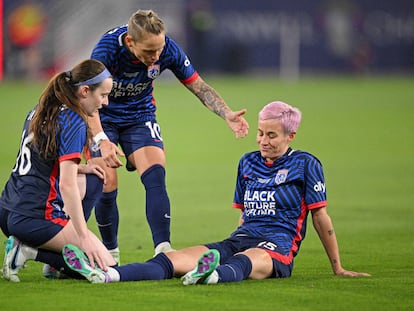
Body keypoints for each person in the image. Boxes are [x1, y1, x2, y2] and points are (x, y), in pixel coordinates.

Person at [59, 100, 371, 284]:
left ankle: (212, 275)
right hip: (241, 238)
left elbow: (321, 218)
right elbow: (243, 216)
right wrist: (233, 240)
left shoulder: (305, 164)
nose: (263, 141)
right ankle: (107, 274)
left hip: (277, 249)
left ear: (291, 135)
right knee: (174, 257)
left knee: (250, 259)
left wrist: (338, 267)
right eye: (260, 133)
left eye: (271, 135)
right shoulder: (247, 162)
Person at [87, 9, 249, 259]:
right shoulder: (106, 51)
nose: (156, 56)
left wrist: (226, 113)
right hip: (102, 116)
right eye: (149, 51)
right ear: (130, 42)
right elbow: (86, 101)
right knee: (106, 181)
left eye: (159, 49)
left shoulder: (168, 49)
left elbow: (198, 85)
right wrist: (101, 139)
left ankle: (164, 249)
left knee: (155, 173)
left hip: (139, 116)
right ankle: (110, 253)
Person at [0, 59, 117, 282]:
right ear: (84, 91)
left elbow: (39, 159)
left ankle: (53, 258)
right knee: (107, 267)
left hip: (8, 209)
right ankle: (28, 251)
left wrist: (81, 168)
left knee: (93, 179)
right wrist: (83, 237)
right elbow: (66, 184)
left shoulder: (43, 108)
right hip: (33, 217)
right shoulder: (74, 120)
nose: (106, 103)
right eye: (103, 95)